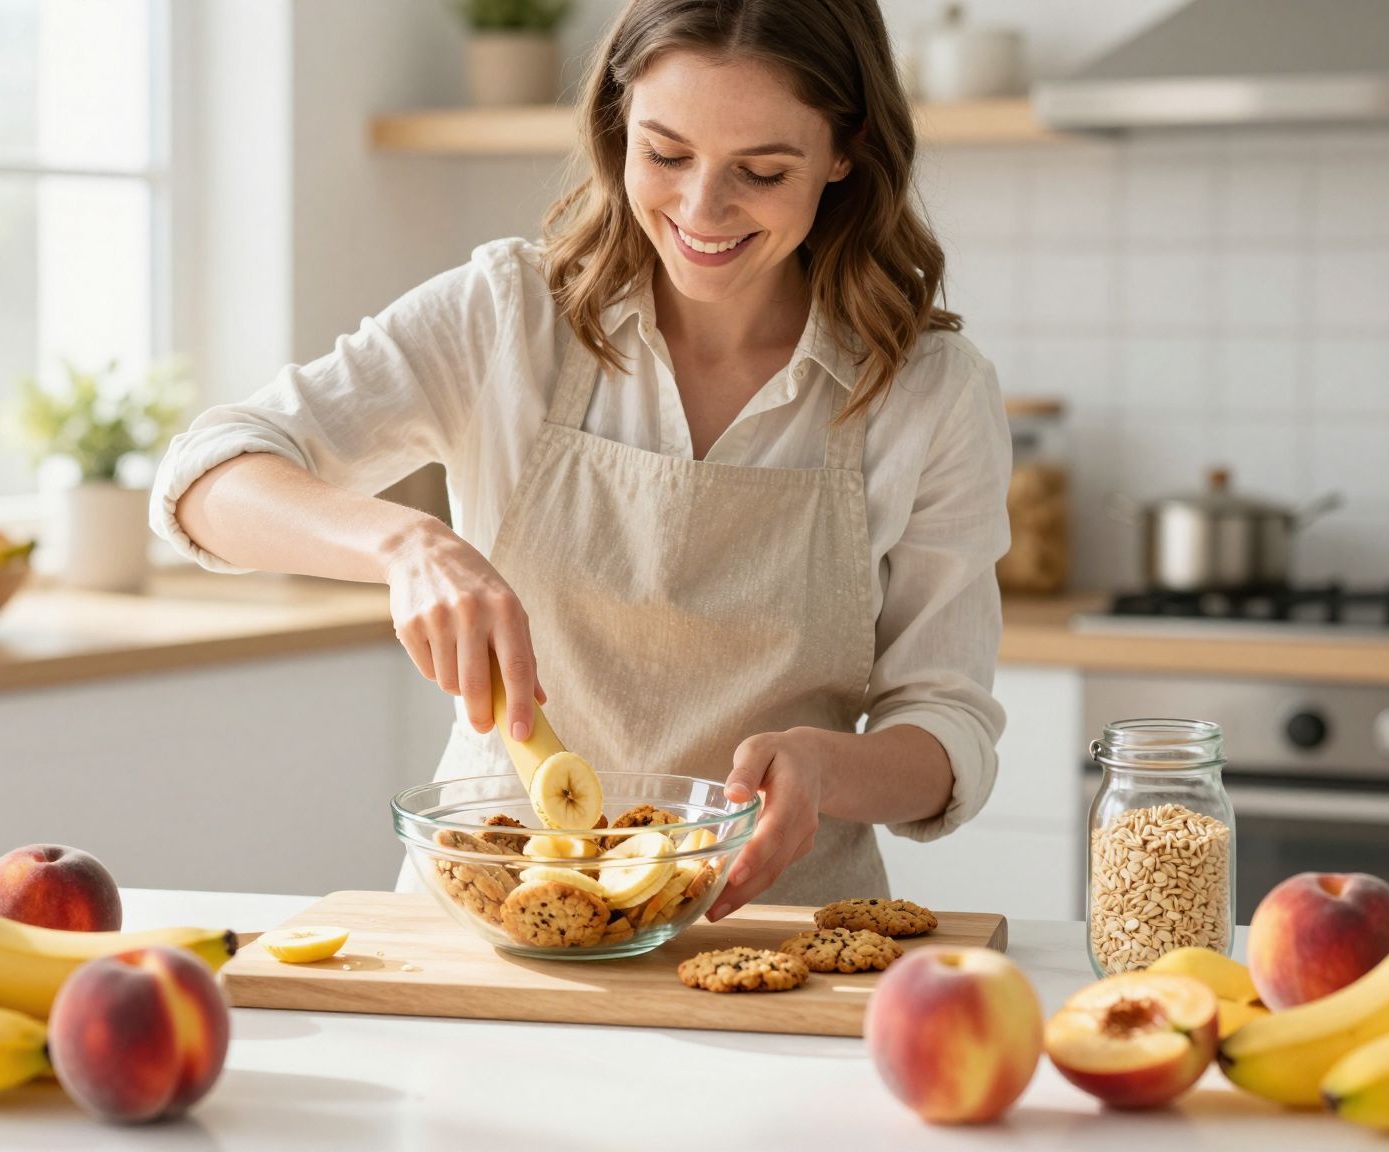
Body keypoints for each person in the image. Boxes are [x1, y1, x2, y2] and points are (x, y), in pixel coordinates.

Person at [153, 0, 1009, 917]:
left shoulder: (929, 389)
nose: (701, 209)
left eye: (761, 171)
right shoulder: (507, 316)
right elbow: (205, 476)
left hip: (773, 931)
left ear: (847, 149)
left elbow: (946, 729)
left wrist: (827, 767)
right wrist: (406, 546)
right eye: (666, 154)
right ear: (617, 121)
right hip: (493, 923)